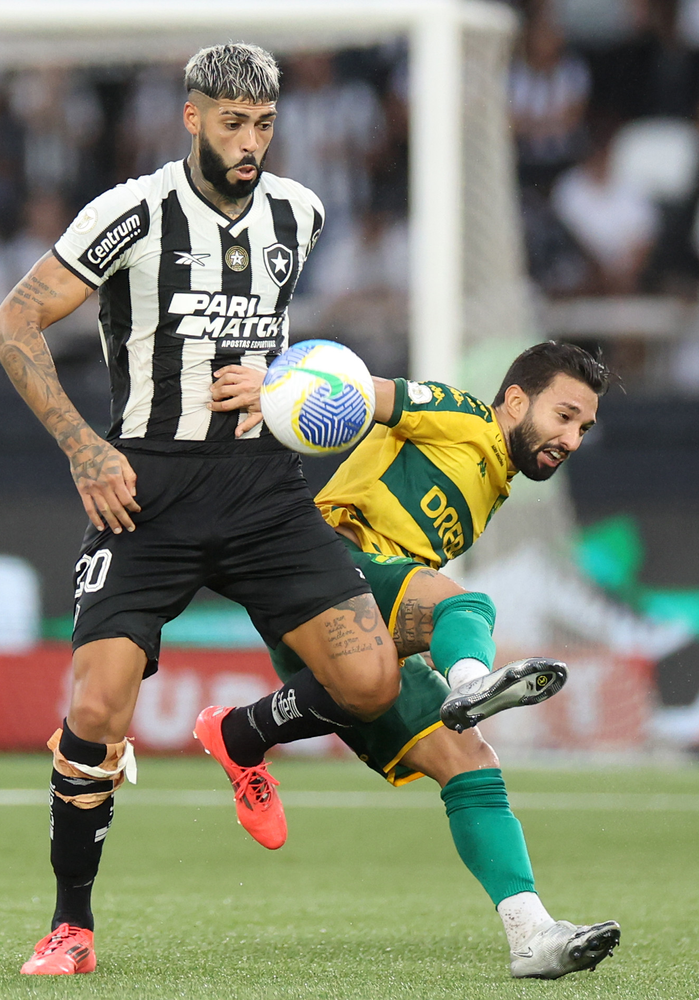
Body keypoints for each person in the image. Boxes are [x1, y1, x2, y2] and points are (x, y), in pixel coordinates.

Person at [0, 42, 401, 976]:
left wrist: (278, 382)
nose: (250, 142)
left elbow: (265, 338)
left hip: (264, 489)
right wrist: (83, 446)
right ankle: (71, 926)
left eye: (264, 125)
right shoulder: (131, 212)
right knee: (96, 707)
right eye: (232, 123)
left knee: (371, 683)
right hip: (146, 489)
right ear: (192, 118)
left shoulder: (301, 212)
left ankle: (241, 734)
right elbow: (12, 322)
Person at [196, 342, 622, 979]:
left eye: (583, 428)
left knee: (471, 764)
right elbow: (359, 391)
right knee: (463, 607)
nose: (572, 439)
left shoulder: (496, 481)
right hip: (322, 571)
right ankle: (472, 682)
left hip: (359, 620)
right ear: (514, 400)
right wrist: (278, 387)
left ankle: (531, 934)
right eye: (564, 416)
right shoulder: (464, 417)